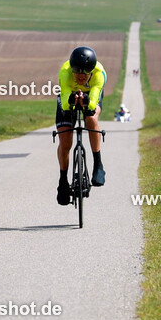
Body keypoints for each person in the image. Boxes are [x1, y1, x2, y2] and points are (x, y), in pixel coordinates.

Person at [55, 46, 107, 205]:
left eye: (85, 73)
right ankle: (63, 180)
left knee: (91, 118)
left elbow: (94, 99)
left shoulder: (99, 74)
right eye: (77, 71)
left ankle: (98, 164)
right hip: (68, 95)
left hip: (90, 96)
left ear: (91, 71)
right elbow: (64, 97)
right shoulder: (65, 72)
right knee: (65, 140)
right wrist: (70, 100)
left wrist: (86, 103)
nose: (80, 76)